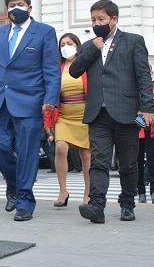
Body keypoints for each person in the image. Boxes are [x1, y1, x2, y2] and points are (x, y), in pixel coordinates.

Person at [0, 0, 60, 222]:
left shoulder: (44, 32)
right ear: (7, 9)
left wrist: (50, 99)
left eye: (20, 5)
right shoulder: (0, 33)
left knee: (27, 154)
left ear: (29, 8)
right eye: (12, 5)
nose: (16, 8)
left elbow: (52, 69)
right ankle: (14, 186)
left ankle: (24, 202)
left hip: (30, 101)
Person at [69, 0, 154, 224]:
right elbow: (74, 71)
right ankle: (97, 205)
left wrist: (147, 107)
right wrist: (91, 50)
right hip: (98, 113)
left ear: (114, 19)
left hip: (127, 112)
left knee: (128, 162)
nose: (97, 23)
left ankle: (127, 203)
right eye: (93, 20)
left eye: (101, 19)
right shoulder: (90, 45)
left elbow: (143, 76)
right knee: (99, 161)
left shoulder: (133, 41)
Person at [44, 33, 90, 207]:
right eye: (62, 44)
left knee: (86, 155)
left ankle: (88, 193)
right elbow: (50, 97)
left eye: (69, 43)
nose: (65, 47)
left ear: (77, 46)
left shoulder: (87, 66)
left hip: (85, 117)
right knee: (60, 148)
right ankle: (63, 191)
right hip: (63, 117)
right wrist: (48, 121)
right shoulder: (56, 69)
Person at [136, 66, 154, 204]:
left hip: (153, 129)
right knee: (138, 162)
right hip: (138, 128)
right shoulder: (133, 87)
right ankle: (141, 191)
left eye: (149, 73)